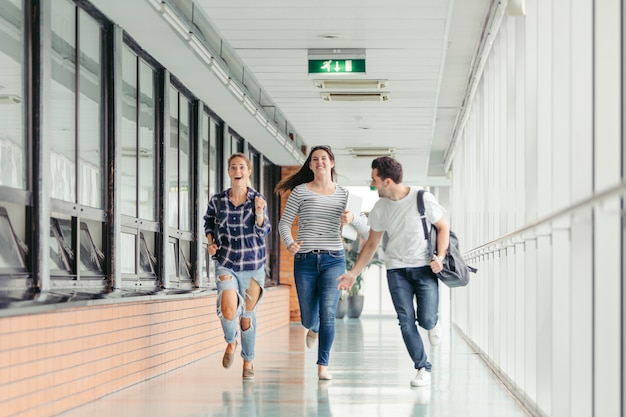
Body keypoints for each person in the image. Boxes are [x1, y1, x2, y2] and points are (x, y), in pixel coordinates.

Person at [336, 156, 449, 387]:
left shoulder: (422, 198)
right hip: (396, 270)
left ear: (387, 181)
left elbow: (443, 226)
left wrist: (441, 257)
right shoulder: (380, 208)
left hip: (424, 267)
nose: (371, 184)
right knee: (406, 320)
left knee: (426, 319)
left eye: (374, 180)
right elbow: (371, 244)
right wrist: (353, 273)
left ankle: (432, 323)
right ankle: (422, 367)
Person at [275, 145, 363, 381]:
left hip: (333, 260)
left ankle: (323, 365)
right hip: (304, 260)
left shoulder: (345, 194)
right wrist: (290, 243)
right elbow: (284, 224)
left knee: (328, 312)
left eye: (324, 158)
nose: (320, 162)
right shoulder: (300, 192)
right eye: (315, 159)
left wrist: (352, 217)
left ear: (332, 163)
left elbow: (364, 225)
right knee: (308, 318)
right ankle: (312, 328)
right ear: (311, 165)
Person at [203, 153, 271, 381]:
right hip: (227, 263)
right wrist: (211, 243)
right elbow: (208, 223)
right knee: (229, 311)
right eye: (233, 167)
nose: (237, 170)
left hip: (253, 265)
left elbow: (263, 231)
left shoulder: (257, 200)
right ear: (229, 172)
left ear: (248, 172)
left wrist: (260, 212)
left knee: (247, 317)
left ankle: (248, 361)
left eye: (242, 167)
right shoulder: (218, 200)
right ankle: (231, 341)